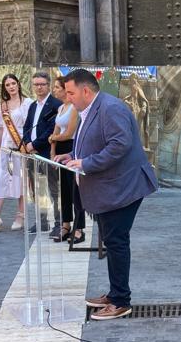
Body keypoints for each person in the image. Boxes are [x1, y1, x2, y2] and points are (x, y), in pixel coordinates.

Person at [56, 68, 158, 321]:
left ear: (86, 91)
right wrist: (73, 157)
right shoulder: (89, 109)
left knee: (116, 242)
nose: (68, 98)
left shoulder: (111, 108)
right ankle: (115, 294)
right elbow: (94, 142)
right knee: (113, 242)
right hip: (109, 189)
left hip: (122, 188)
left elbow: (119, 145)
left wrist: (87, 164)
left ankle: (121, 301)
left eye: (70, 93)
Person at [0, 73, 32, 233]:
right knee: (1, 181)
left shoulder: (28, 103)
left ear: (18, 84)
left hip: (21, 146)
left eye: (13, 83)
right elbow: (1, 129)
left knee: (21, 181)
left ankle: (20, 216)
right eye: (7, 85)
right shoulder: (3, 106)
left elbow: (30, 127)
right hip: (6, 147)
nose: (11, 87)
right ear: (4, 88)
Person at [21, 71, 62, 234]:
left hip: (47, 153)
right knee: (38, 190)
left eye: (42, 84)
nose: (39, 87)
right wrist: (26, 143)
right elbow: (27, 127)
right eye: (36, 84)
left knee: (53, 189)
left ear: (49, 85)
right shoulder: (32, 106)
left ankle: (59, 222)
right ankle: (42, 221)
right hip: (32, 154)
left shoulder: (55, 105)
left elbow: (52, 130)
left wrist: (35, 144)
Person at [48, 75, 85, 244]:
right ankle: (65, 224)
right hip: (59, 149)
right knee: (64, 190)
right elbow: (54, 133)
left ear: (65, 90)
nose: (54, 90)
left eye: (57, 87)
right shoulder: (61, 108)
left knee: (75, 190)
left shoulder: (74, 108)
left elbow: (69, 133)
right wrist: (52, 152)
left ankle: (79, 228)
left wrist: (54, 137)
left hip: (71, 147)